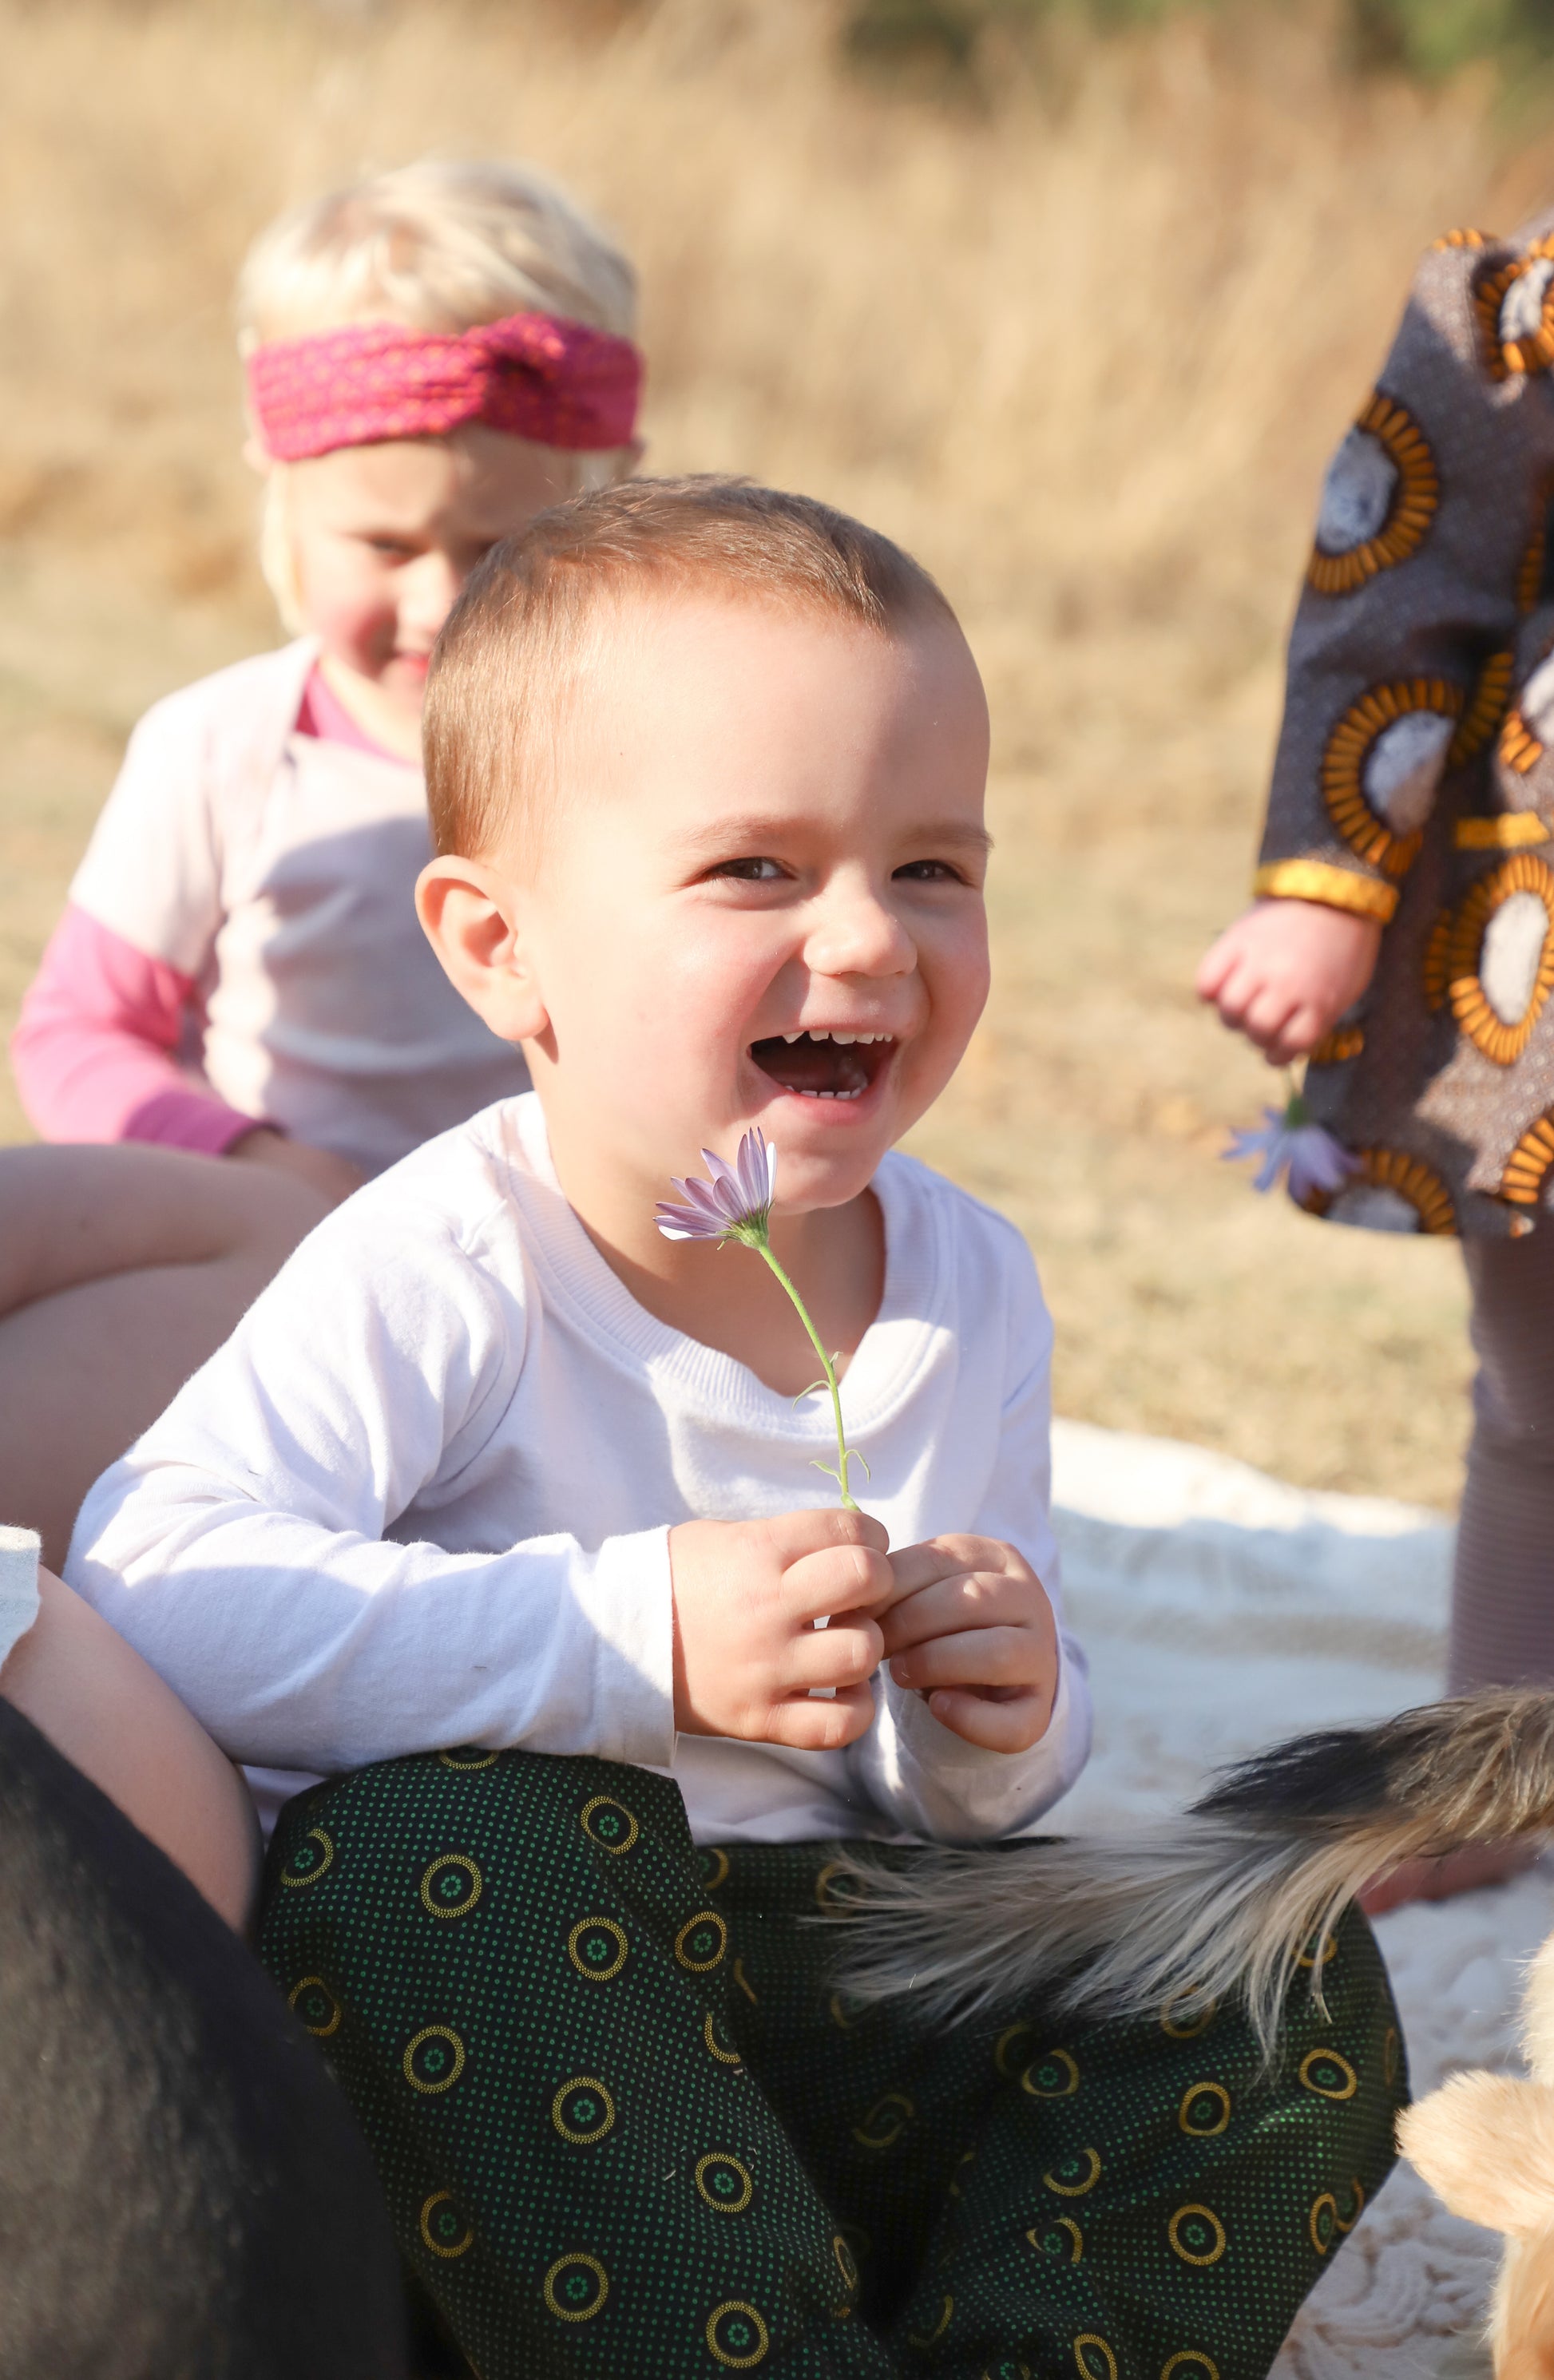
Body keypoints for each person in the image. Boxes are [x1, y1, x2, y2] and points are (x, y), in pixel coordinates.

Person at [68, 480, 1403, 2380]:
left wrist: (1007, 1714)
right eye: (756, 872)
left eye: (934, 866)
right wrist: (628, 1640)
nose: (867, 940)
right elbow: (160, 1573)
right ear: (499, 948)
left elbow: (963, 1811)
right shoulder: (459, 1253)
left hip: (851, 2005)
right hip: (514, 2066)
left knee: (1276, 1954)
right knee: (429, 1850)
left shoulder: (971, 1281)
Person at [12, 155, 643, 1204]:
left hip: (554, 1286)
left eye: (498, 547)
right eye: (387, 547)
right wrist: (255, 1167)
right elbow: (80, 1032)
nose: (442, 602)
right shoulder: (225, 750)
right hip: (274, 1267)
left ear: (613, 497)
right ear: (285, 501)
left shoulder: (649, 757)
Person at [1197, 210, 1554, 1907]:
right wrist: (1328, 889)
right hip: (1542, 937)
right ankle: (1495, 1775)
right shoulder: (1518, 312)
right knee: (1538, 1393)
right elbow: (1394, 586)